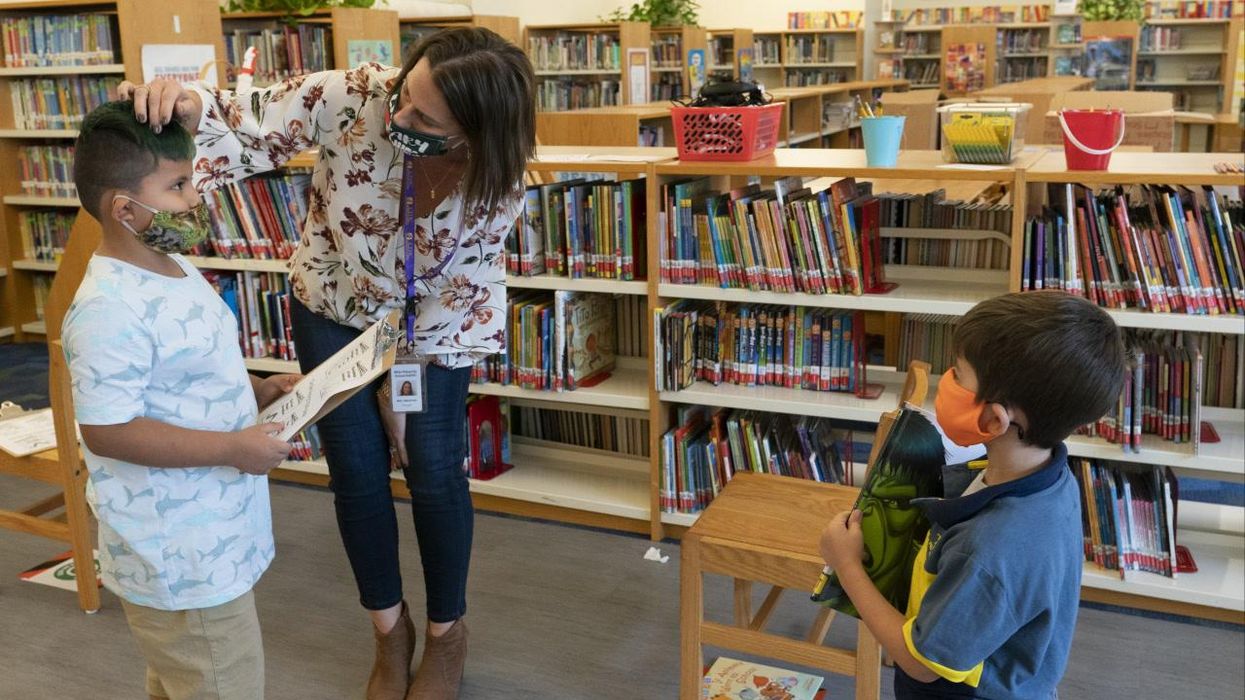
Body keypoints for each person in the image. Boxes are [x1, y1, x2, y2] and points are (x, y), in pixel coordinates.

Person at [118, 27, 536, 699]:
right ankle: (388, 631)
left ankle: (445, 635)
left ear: (473, 131)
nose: (397, 117)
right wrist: (189, 104)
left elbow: (457, 281)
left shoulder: (498, 176)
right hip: (332, 301)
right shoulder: (354, 94)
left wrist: (395, 394)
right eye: (404, 95)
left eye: (423, 119)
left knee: (432, 468)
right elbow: (245, 117)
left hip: (434, 324)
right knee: (357, 471)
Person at [62, 100, 299, 700]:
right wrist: (232, 446)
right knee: (223, 679)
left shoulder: (171, 265)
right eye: (177, 186)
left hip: (211, 529)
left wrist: (256, 390)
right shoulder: (107, 309)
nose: (194, 198)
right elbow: (107, 430)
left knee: (184, 681)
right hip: (178, 555)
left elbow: (190, 370)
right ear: (124, 209)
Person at [820, 291, 1126, 700]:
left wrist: (847, 565)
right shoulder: (1052, 477)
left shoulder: (987, 551)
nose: (946, 380)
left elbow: (920, 663)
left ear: (993, 418)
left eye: (957, 374)